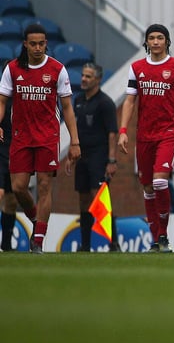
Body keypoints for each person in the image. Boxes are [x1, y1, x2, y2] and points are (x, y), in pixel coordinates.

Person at [0, 23, 81, 253]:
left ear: (46, 43)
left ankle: (38, 241)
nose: (37, 48)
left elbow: (67, 107)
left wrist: (74, 141)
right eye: (33, 44)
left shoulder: (57, 69)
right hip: (20, 137)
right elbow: (2, 101)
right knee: (18, 188)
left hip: (47, 137)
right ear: (25, 44)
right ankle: (37, 219)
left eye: (41, 43)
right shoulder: (13, 69)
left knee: (45, 186)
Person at [117, 23, 174, 253]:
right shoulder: (137, 68)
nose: (156, 42)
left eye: (160, 37)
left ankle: (163, 233)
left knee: (160, 182)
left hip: (169, 133)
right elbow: (130, 101)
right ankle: (156, 239)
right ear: (147, 42)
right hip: (144, 135)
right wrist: (123, 131)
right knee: (148, 188)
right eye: (152, 38)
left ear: (167, 41)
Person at [64, 62, 120, 251]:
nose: (83, 79)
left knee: (100, 198)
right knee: (83, 198)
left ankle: (113, 242)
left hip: (99, 156)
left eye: (88, 76)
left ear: (98, 79)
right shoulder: (78, 101)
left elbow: (113, 133)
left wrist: (111, 160)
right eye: (83, 75)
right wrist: (72, 155)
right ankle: (85, 244)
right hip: (83, 156)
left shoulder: (105, 103)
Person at [0, 58, 24, 251]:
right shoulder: (1, 100)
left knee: (11, 198)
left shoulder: (23, 99)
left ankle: (6, 244)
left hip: (14, 153)